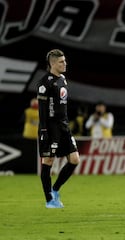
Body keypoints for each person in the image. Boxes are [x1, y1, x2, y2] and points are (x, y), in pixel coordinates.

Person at [37, 49, 80, 208]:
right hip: (50, 128)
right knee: (48, 161)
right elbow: (42, 110)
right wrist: (43, 131)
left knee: (75, 160)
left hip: (64, 126)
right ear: (52, 63)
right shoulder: (45, 82)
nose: (65, 64)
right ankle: (49, 200)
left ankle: (55, 190)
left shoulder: (63, 79)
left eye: (65, 61)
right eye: (61, 62)